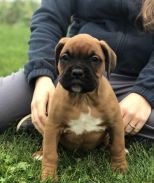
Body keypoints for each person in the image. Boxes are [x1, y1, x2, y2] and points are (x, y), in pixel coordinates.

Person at [0, 0, 154, 140]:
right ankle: (65, 119)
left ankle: (65, 121)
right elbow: (48, 19)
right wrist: (42, 76)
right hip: (68, 71)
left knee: (138, 120)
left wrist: (144, 93)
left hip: (135, 80)